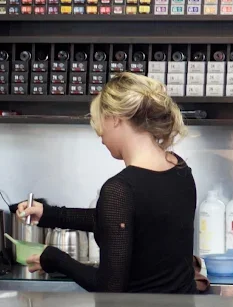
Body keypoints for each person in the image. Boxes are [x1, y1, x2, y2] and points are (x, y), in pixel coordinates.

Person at [16, 72, 198, 294]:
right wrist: (48, 214)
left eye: (99, 120)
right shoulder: (179, 168)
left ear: (115, 118)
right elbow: (130, 221)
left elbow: (109, 287)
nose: (100, 134)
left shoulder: (120, 189)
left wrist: (55, 259)